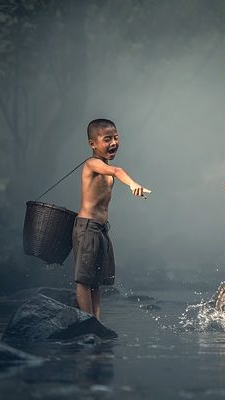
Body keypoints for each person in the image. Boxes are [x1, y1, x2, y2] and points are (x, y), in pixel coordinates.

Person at [73, 118, 150, 320]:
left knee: (95, 280)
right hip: (87, 228)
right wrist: (133, 184)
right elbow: (118, 171)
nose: (114, 143)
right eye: (107, 139)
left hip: (100, 229)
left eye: (116, 137)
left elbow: (113, 171)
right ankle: (85, 320)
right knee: (84, 280)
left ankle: (95, 321)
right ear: (93, 144)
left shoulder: (103, 166)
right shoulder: (92, 164)